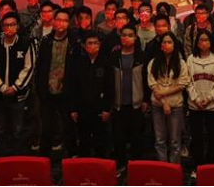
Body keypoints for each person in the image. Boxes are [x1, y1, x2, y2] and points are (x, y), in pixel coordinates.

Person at [0, 12, 35, 157]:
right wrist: (1, 87)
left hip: (18, 96)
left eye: (12, 24)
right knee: (1, 131)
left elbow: (29, 67)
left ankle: (18, 161)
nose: (9, 28)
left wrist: (15, 87)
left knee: (18, 130)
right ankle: (2, 162)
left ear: (17, 26)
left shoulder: (25, 43)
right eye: (6, 25)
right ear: (2, 27)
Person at [110, 25, 148, 174]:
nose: (126, 38)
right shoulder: (114, 56)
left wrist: (146, 100)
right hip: (118, 104)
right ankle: (120, 165)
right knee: (118, 138)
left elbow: (146, 80)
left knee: (136, 137)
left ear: (135, 38)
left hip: (136, 103)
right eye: (124, 35)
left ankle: (136, 167)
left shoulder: (141, 56)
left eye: (130, 35)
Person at [67, 32, 112, 157]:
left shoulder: (106, 62)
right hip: (82, 108)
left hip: (100, 109)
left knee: (100, 141)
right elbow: (73, 87)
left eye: (95, 43)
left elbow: (110, 87)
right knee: (83, 140)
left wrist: (107, 109)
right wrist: (73, 109)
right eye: (90, 43)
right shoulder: (78, 63)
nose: (93, 46)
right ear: (84, 45)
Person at [147, 32, 190, 164]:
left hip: (176, 105)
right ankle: (163, 168)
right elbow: (153, 84)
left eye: (169, 42)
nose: (166, 45)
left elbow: (182, 84)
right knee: (160, 140)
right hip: (157, 105)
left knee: (175, 141)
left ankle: (174, 169)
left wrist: (164, 93)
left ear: (174, 45)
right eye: (164, 42)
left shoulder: (181, 63)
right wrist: (164, 102)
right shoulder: (153, 62)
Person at [37, 9, 74, 156]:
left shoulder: (74, 42)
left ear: (69, 23)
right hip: (48, 91)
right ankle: (43, 160)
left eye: (65, 20)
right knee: (47, 128)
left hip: (67, 92)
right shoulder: (46, 41)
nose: (61, 23)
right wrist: (41, 89)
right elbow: (40, 68)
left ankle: (70, 159)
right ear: (54, 21)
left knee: (68, 127)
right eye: (58, 20)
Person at [186, 30, 214, 176]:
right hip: (194, 105)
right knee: (196, 138)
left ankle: (209, 165)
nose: (203, 43)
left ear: (211, 42)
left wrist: (209, 98)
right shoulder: (191, 59)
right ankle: (198, 166)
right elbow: (188, 82)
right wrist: (195, 99)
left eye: (206, 40)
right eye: (200, 40)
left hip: (212, 106)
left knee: (213, 137)